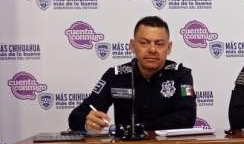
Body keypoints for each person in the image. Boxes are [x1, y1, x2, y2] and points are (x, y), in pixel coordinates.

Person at [68, 16, 196, 132]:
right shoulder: (116, 76)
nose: (152, 49)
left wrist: (140, 128)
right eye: (144, 43)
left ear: (168, 48)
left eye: (159, 44)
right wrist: (86, 123)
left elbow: (187, 117)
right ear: (133, 46)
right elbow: (77, 115)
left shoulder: (180, 75)